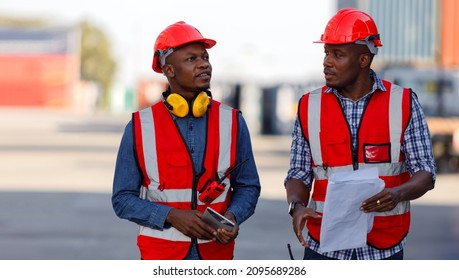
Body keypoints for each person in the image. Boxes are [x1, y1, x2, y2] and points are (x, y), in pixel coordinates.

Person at [285, 8, 436, 260]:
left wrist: (398, 194)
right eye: (326, 52)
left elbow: (426, 172)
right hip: (324, 246)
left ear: (364, 59)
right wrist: (296, 206)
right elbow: (298, 173)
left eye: (338, 54)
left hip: (383, 247)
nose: (327, 61)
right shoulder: (308, 106)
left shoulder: (404, 103)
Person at [112, 21, 261, 260]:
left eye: (205, 57)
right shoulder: (141, 126)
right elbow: (122, 199)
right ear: (169, 70)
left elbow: (248, 186)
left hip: (215, 255)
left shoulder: (233, 122)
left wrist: (233, 217)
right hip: (161, 257)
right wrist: (170, 216)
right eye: (191, 59)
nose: (204, 64)